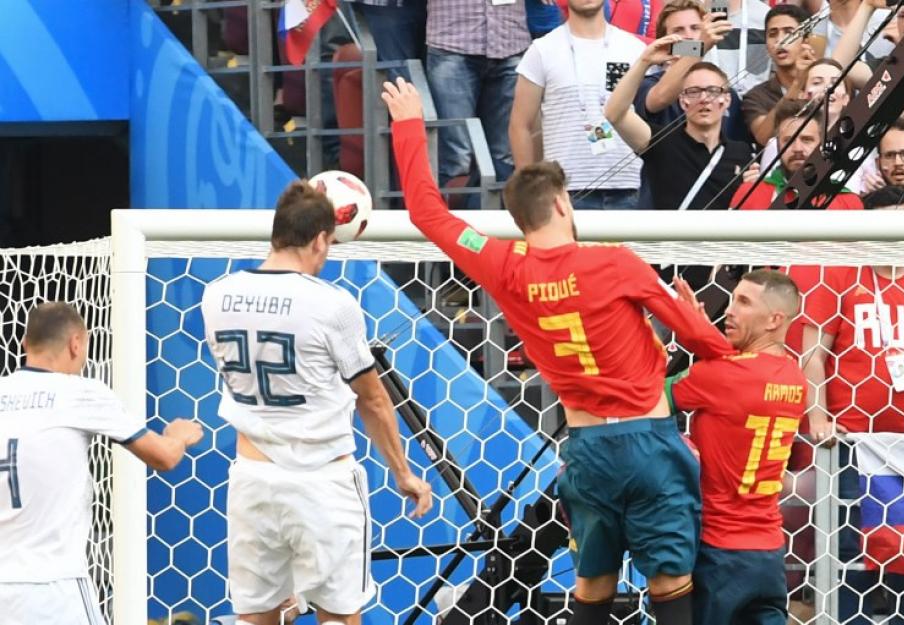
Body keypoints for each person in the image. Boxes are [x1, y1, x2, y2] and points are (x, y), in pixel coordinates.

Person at [384, 76, 736, 625]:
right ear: (562, 203)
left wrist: (408, 122)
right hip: (649, 442)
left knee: (592, 583)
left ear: (519, 219)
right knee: (670, 581)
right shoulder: (616, 263)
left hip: (587, 448)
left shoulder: (502, 265)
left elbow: (427, 215)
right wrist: (701, 325)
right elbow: (701, 342)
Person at [201, 181, 432, 625]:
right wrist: (403, 473)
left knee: (255, 617)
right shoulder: (331, 305)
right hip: (321, 481)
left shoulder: (217, 295)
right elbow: (373, 399)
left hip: (252, 477)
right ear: (322, 239)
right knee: (340, 617)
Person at [0, 302, 205, 624]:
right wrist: (179, 436)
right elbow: (164, 457)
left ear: (25, 344)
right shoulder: (80, 393)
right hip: (54, 587)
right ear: (76, 343)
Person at [803, 185, 904, 624]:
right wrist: (819, 416)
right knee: (848, 545)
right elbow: (813, 353)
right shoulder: (840, 275)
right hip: (853, 439)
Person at [668, 270, 807, 625]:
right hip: (769, 553)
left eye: (744, 302)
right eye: (732, 299)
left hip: (718, 552)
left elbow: (646, 400)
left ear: (775, 319)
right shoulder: (794, 375)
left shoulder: (721, 376)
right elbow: (742, 372)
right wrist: (702, 333)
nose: (729, 310)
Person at [509, 0, 647, 209]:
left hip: (631, 186)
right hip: (564, 190)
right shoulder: (542, 50)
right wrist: (528, 191)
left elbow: (654, 108)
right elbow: (520, 125)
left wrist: (694, 49)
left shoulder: (634, 48)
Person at [606, 37, 753, 210]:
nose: (704, 99)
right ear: (683, 101)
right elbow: (615, 114)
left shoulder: (742, 152)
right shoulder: (661, 142)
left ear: (727, 100)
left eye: (713, 91)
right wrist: (644, 61)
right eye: (693, 92)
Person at [426, 0, 530, 184]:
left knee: (503, 155)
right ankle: (454, 203)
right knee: (457, 158)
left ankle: (497, 203)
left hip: (511, 41)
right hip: (452, 43)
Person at [633, 0, 747, 143]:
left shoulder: (725, 91)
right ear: (664, 41)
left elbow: (739, 146)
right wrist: (699, 46)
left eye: (695, 28)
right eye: (678, 30)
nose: (689, 36)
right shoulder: (647, 84)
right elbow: (659, 98)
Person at [732, 99, 865, 208]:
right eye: (788, 141)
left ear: (822, 145)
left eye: (807, 140)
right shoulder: (749, 194)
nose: (797, 148)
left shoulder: (848, 201)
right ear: (778, 146)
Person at [741, 4, 815, 146]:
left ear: (806, 40)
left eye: (789, 32)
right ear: (766, 46)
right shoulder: (756, 96)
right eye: (772, 34)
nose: (780, 40)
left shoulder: (824, 82)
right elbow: (763, 137)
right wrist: (796, 85)